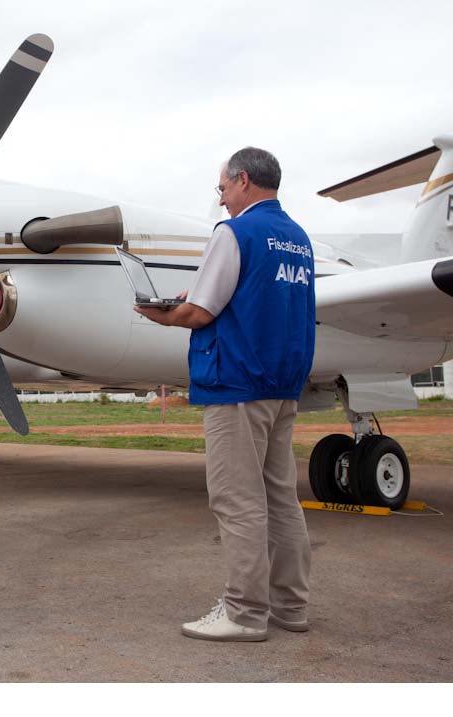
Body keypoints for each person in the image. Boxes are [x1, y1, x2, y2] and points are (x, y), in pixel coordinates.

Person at [135, 147, 315, 642]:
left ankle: (244, 612)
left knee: (237, 499)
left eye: (222, 188)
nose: (221, 200)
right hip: (282, 385)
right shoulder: (299, 239)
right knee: (280, 498)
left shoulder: (234, 232)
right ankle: (291, 606)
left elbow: (201, 312)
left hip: (236, 383)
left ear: (243, 180)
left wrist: (160, 313)